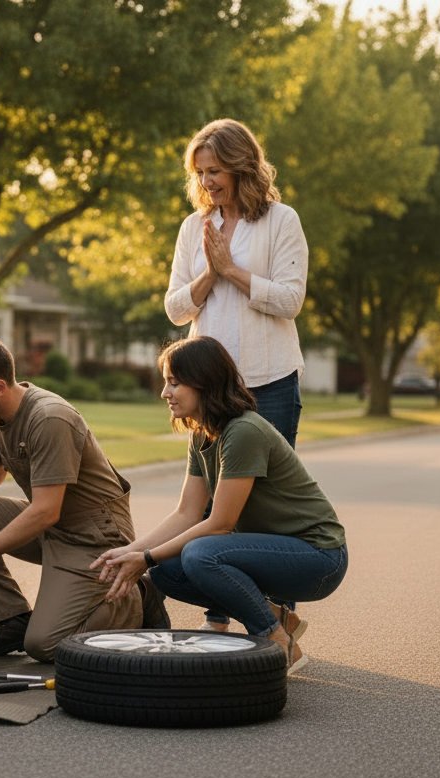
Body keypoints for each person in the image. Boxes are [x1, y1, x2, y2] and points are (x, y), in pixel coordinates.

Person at [91, 337, 348, 674]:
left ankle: (278, 642)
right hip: (276, 553)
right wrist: (134, 552)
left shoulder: (243, 431)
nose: (165, 393)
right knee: (167, 571)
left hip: (319, 558)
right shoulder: (203, 434)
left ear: (204, 381)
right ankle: (278, 617)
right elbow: (186, 512)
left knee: (200, 555)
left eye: (174, 382)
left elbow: (220, 523)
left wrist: (145, 557)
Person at [0, 335, 169, 661]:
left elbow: (46, 511)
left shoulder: (49, 418)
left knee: (45, 645)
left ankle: (139, 596)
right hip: (52, 524)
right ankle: (10, 619)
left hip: (95, 537)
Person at [165, 117, 310, 635]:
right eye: (201, 173)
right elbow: (176, 308)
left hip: (268, 382)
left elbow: (291, 300)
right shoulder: (192, 228)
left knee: (261, 509)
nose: (207, 182)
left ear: (242, 166)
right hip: (209, 392)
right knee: (203, 501)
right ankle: (222, 616)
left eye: (216, 170)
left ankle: (279, 621)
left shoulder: (281, 221)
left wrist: (233, 271)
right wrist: (209, 272)